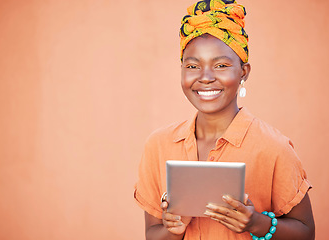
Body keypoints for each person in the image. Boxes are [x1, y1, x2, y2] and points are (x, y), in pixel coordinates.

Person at [134, 0, 315, 239]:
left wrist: (257, 223)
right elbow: (152, 234)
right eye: (192, 65)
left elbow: (306, 232)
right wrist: (172, 229)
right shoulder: (158, 145)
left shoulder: (274, 148)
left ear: (243, 72)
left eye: (220, 65)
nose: (205, 77)